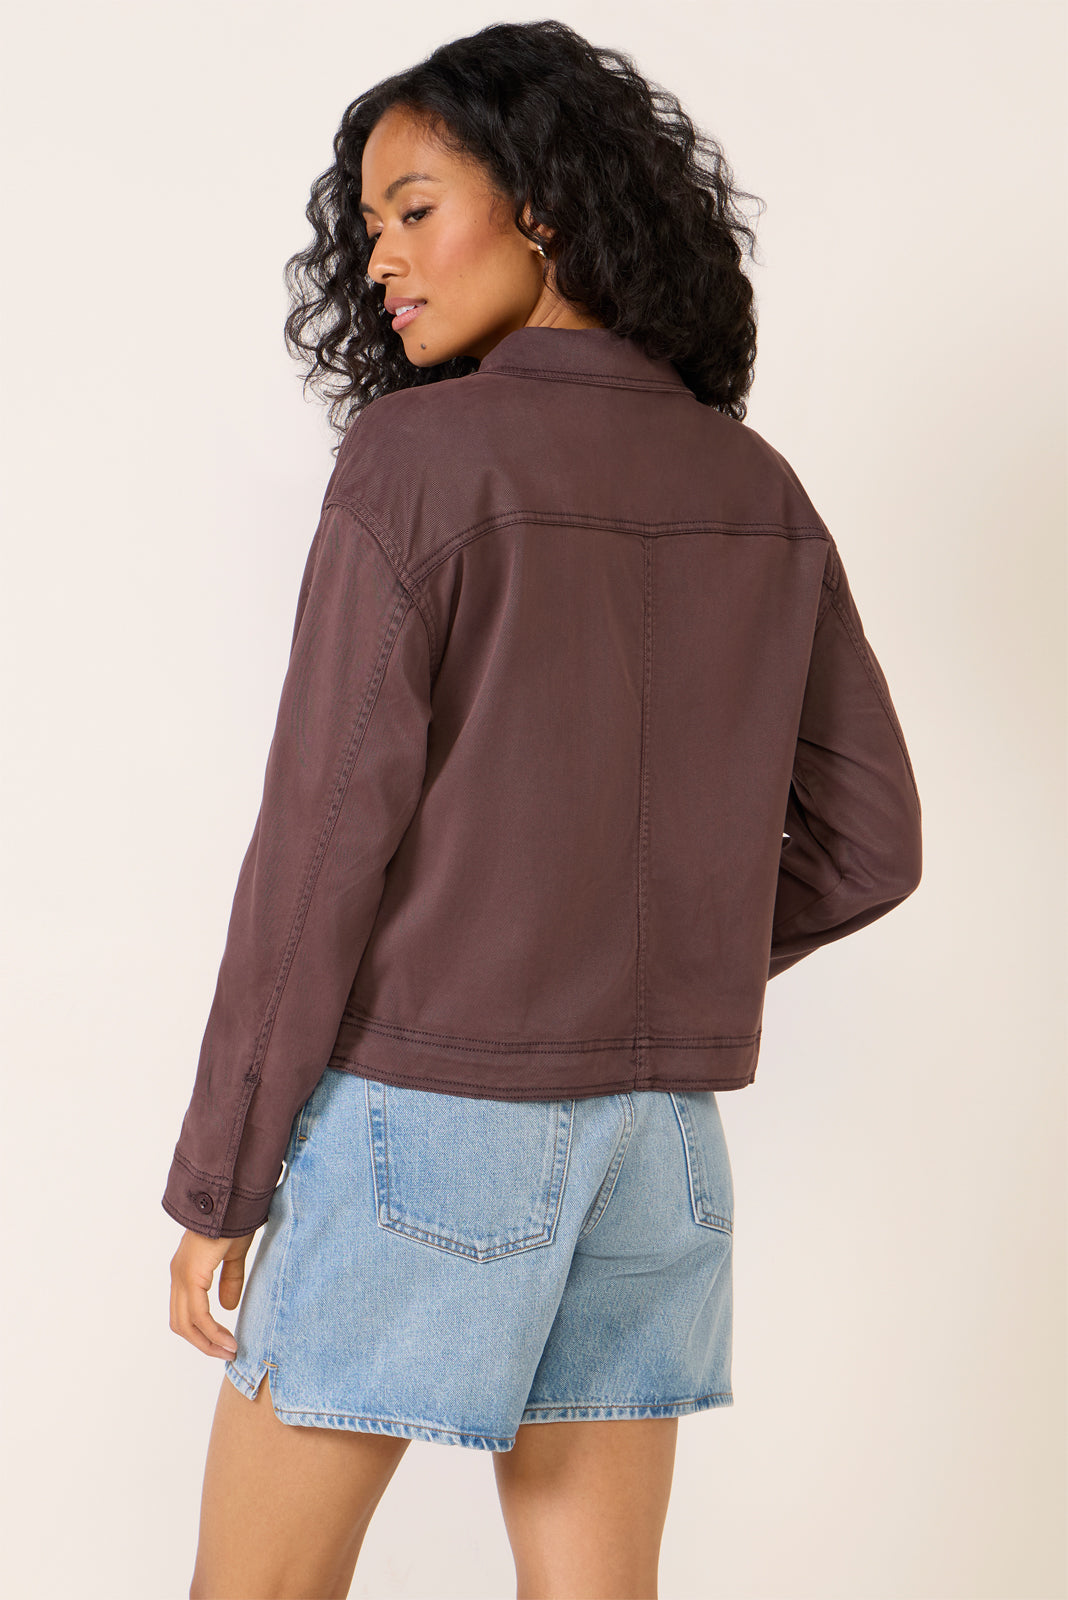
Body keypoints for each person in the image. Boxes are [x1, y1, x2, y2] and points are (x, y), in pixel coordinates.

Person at [165, 19, 923, 1600]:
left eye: (415, 208)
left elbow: (318, 851)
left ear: (550, 208)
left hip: (426, 1121)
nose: (381, 256)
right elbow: (871, 842)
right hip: (658, 1146)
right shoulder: (755, 487)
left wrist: (219, 1184)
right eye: (367, 226)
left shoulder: (419, 462)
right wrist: (635, 959)